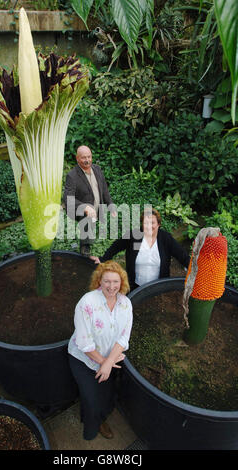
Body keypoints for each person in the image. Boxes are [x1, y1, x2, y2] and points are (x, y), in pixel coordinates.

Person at [68, 260, 133, 441]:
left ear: (122, 282)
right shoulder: (87, 303)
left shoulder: (126, 304)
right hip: (84, 360)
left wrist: (109, 362)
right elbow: (84, 343)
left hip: (108, 359)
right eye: (107, 281)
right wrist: (105, 363)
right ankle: (91, 430)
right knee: (92, 400)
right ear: (99, 281)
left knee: (105, 397)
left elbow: (123, 338)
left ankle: (99, 418)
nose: (111, 286)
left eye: (115, 282)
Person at [90, 207, 190, 291]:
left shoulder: (165, 239)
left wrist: (195, 269)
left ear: (159, 224)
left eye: (152, 223)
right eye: (146, 223)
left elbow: (182, 256)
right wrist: (102, 259)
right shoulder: (135, 236)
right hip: (135, 287)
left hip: (159, 288)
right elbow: (116, 246)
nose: (149, 226)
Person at [63, 145, 117, 256]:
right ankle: (85, 247)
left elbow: (104, 189)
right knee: (87, 215)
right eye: (83, 158)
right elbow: (68, 199)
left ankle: (93, 238)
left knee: (94, 220)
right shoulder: (72, 176)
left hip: (96, 207)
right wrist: (85, 207)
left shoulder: (97, 169)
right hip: (77, 210)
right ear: (77, 158)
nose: (87, 160)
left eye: (89, 157)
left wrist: (110, 205)